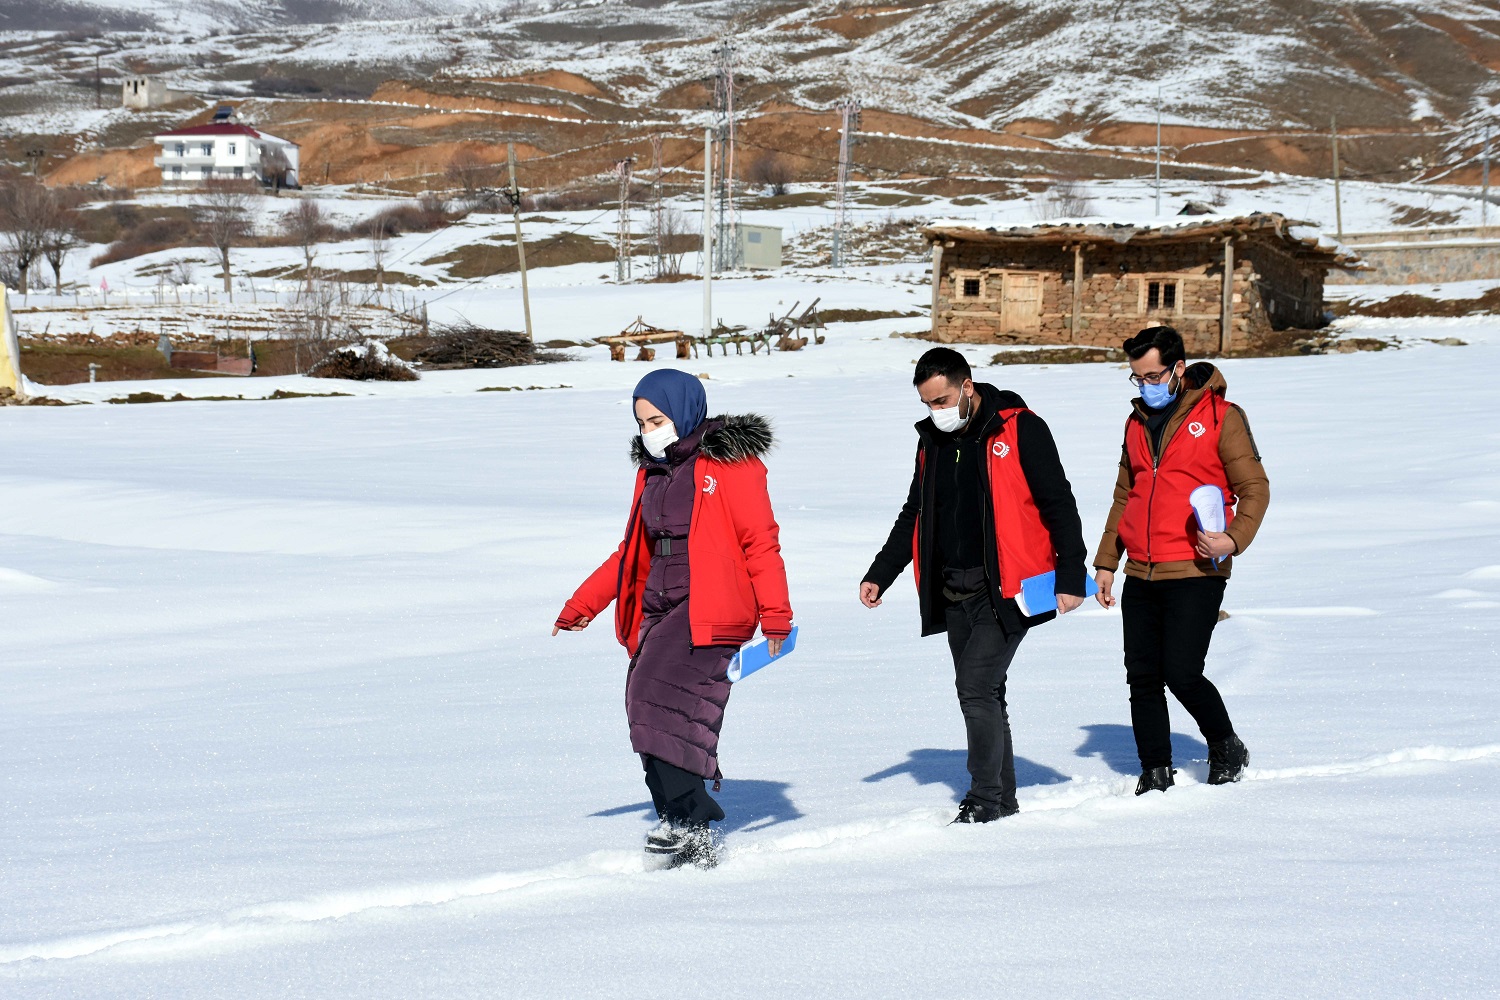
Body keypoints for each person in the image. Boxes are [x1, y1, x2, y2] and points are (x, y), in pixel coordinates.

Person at [553, 370, 792, 869]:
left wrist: (776, 617)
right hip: (659, 603)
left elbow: (760, 541)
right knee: (644, 705)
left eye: (657, 419)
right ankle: (676, 822)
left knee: (655, 697)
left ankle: (691, 823)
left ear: (684, 411)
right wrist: (583, 605)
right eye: (642, 422)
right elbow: (630, 551)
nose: (649, 431)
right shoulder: (653, 471)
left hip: (711, 604)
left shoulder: (730, 462)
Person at [861, 348, 1088, 823]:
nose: (936, 412)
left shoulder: (1020, 428)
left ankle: (985, 798)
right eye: (928, 404)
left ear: (968, 387)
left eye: (942, 400)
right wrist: (881, 573)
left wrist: (1071, 573)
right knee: (988, 692)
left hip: (1006, 589)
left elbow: (1058, 503)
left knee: (974, 686)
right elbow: (914, 514)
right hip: (952, 589)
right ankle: (1003, 798)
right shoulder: (932, 443)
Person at [1092, 325, 1270, 795]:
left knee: (1182, 672)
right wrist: (1107, 561)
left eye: (1153, 375)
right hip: (1141, 571)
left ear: (1178, 370)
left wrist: (1233, 539)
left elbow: (1255, 488)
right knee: (1142, 676)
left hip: (1196, 567)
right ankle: (1155, 769)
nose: (1146, 385)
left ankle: (1226, 744)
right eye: (1138, 378)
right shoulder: (1134, 424)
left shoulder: (1221, 417)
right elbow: (1125, 494)